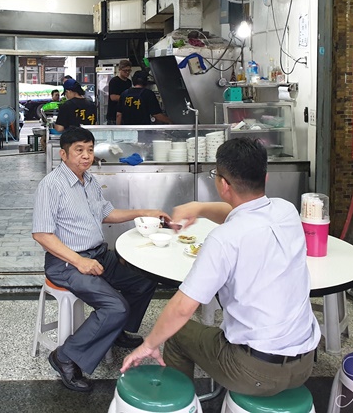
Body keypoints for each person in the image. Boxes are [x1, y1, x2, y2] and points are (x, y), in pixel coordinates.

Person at [121, 137, 320, 396]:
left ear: (223, 184)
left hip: (256, 372)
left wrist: (147, 345)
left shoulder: (223, 239)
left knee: (178, 333)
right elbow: (241, 214)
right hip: (304, 364)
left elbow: (182, 308)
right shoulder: (287, 211)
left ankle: (177, 402)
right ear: (265, 177)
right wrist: (200, 208)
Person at [33, 127, 169, 392]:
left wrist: (146, 211)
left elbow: (106, 213)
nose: (86, 156)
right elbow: (41, 234)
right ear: (63, 154)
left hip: (98, 255)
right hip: (66, 262)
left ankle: (116, 331)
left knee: (145, 279)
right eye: (79, 150)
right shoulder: (51, 185)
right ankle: (65, 357)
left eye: (90, 150)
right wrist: (79, 262)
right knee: (115, 307)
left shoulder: (89, 180)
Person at [106, 59, 132, 125]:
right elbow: (113, 97)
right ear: (119, 70)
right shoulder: (114, 81)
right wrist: (127, 98)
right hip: (113, 115)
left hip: (125, 114)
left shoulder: (129, 82)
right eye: (125, 71)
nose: (127, 73)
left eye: (129, 70)